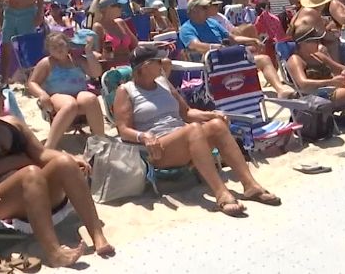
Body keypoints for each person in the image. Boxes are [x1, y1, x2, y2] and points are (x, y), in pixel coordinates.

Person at [0, 77, 113, 266]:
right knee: (31, 172)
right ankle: (54, 253)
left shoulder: (12, 123)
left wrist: (70, 158)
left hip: (36, 191)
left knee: (64, 162)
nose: (4, 99)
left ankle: (98, 237)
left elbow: (41, 153)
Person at [113, 45, 280, 216]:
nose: (163, 63)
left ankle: (250, 185)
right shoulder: (126, 91)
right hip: (159, 148)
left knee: (216, 125)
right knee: (193, 129)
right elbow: (123, 129)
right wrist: (144, 136)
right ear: (146, 66)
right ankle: (221, 193)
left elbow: (187, 112)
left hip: (188, 138)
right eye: (158, 61)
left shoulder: (163, 82)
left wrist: (212, 115)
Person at [179, 0, 295, 97]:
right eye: (204, 8)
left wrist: (253, 40)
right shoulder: (187, 28)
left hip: (227, 56)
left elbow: (233, 38)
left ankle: (280, 90)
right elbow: (196, 45)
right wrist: (217, 47)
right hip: (210, 63)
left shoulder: (212, 22)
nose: (208, 9)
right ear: (193, 11)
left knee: (264, 59)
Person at [26, 32, 105, 148]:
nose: (59, 49)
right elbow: (32, 82)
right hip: (57, 97)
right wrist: (42, 94)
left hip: (79, 95)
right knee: (70, 104)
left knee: (91, 98)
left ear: (68, 45)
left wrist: (88, 52)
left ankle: (100, 140)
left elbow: (96, 73)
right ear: (48, 50)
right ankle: (50, 145)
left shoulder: (77, 60)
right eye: (54, 47)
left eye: (61, 45)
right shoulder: (47, 63)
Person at [90, 0, 138, 67]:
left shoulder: (121, 22)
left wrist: (154, 45)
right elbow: (95, 52)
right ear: (106, 8)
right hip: (112, 69)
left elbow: (136, 45)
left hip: (129, 65)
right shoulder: (99, 27)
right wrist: (102, 55)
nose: (121, 7)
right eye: (118, 5)